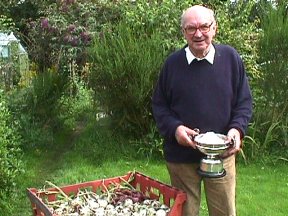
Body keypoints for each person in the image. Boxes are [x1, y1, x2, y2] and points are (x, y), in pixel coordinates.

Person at [152, 4, 253, 216]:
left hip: (222, 155)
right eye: (191, 28)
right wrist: (176, 129)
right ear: (183, 32)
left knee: (224, 211)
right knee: (186, 213)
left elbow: (244, 102)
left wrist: (237, 129)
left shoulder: (231, 59)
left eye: (204, 27)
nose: (198, 34)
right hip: (181, 158)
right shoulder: (172, 64)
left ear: (214, 28)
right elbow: (159, 106)